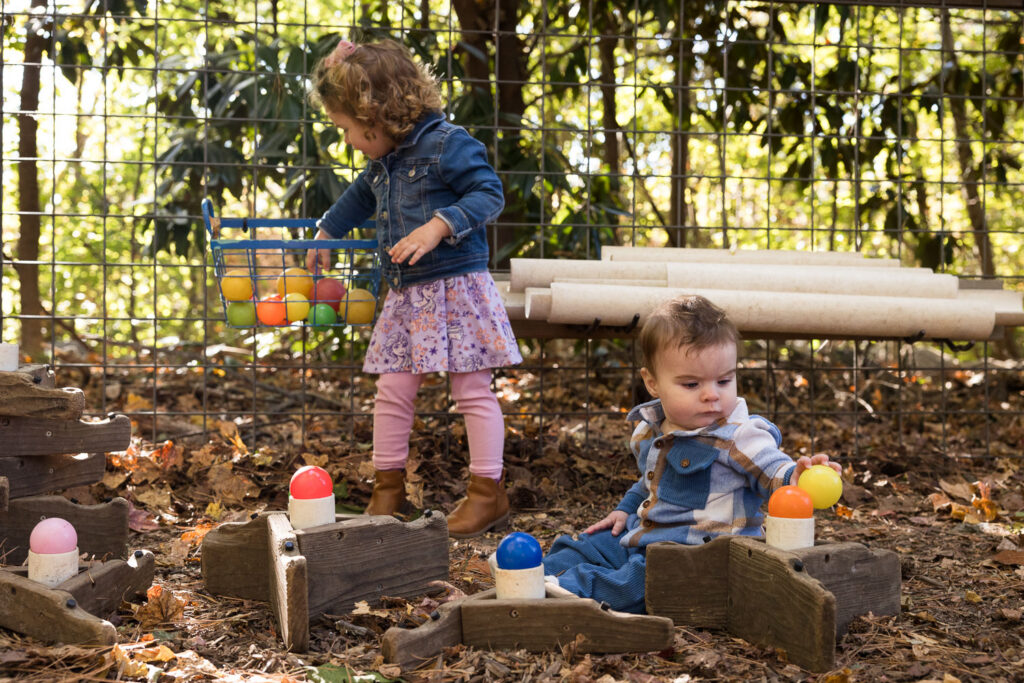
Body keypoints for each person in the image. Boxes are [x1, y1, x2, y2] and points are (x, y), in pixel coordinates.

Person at [305, 38, 522, 538]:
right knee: (393, 387)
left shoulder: (447, 143)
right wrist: (327, 229)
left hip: (458, 287)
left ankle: (488, 493)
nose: (348, 141)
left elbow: (489, 193)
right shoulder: (386, 159)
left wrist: (440, 225)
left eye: (347, 129)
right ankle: (389, 488)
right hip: (409, 294)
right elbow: (362, 194)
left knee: (472, 390)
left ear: (374, 114)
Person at [542, 295, 841, 613]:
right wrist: (623, 510)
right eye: (691, 384)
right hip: (644, 536)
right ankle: (537, 573)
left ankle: (572, 590)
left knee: (640, 583)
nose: (712, 394)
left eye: (724, 380)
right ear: (653, 383)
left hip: (701, 556)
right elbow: (648, 484)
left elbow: (773, 469)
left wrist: (796, 475)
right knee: (586, 545)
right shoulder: (651, 430)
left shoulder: (740, 435)